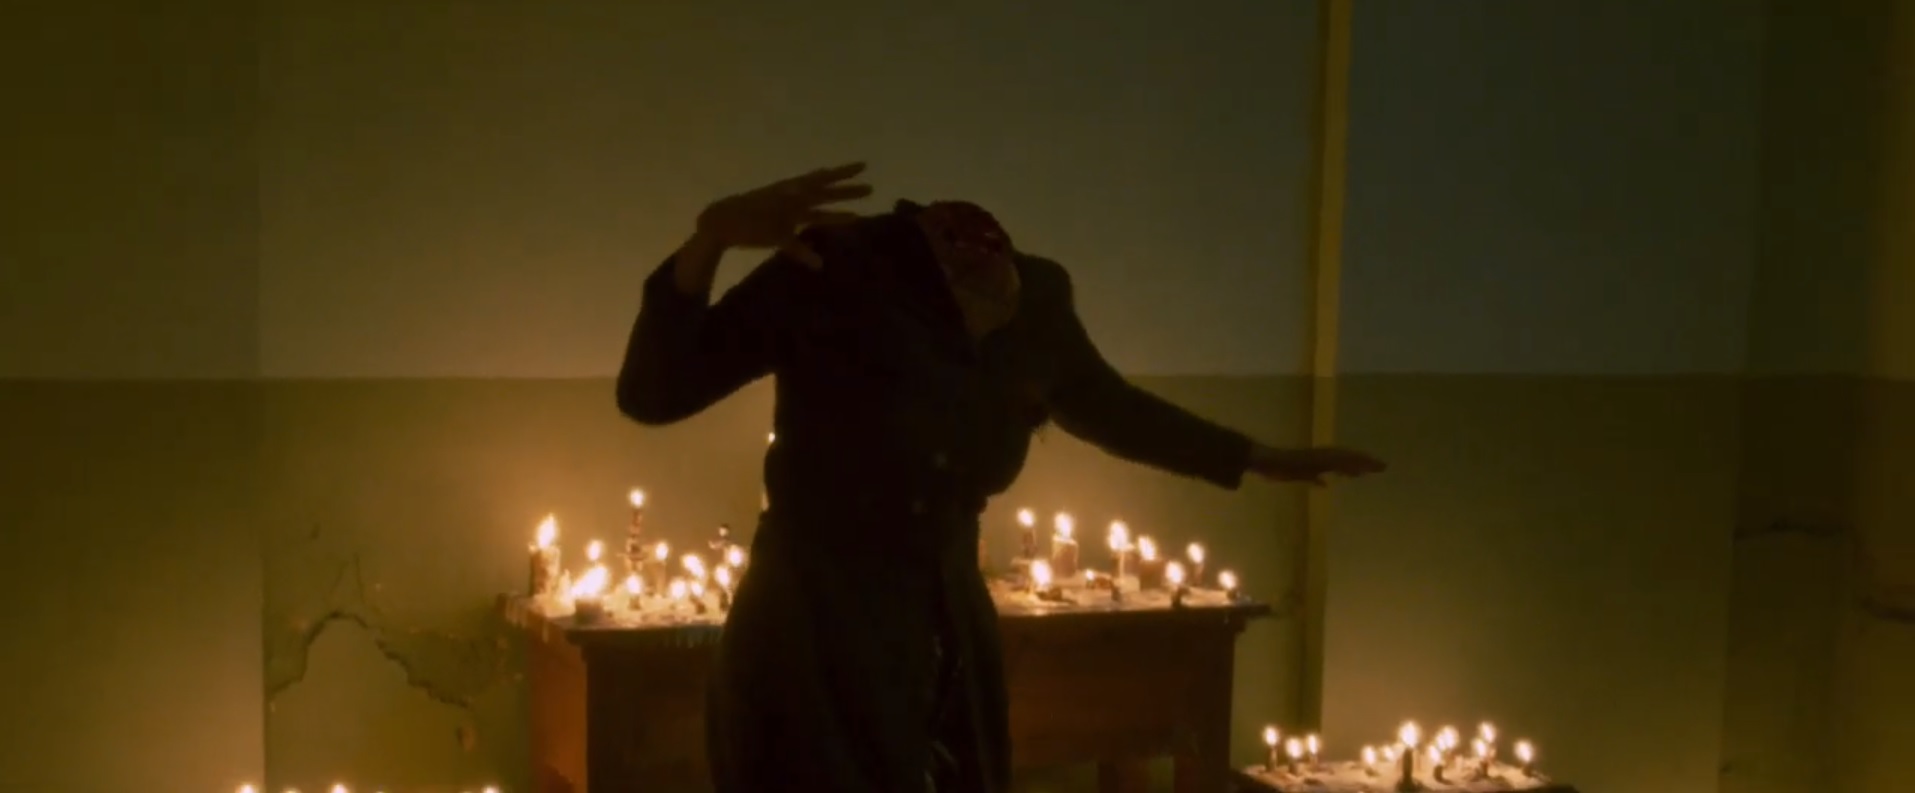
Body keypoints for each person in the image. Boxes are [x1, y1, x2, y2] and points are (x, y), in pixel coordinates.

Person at [615, 163, 1386, 793]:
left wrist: (1255, 457)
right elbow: (655, 391)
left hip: (945, 620)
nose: (982, 346)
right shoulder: (830, 273)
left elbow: (1105, 405)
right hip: (811, 623)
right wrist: (708, 242)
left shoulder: (1035, 302)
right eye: (963, 330)